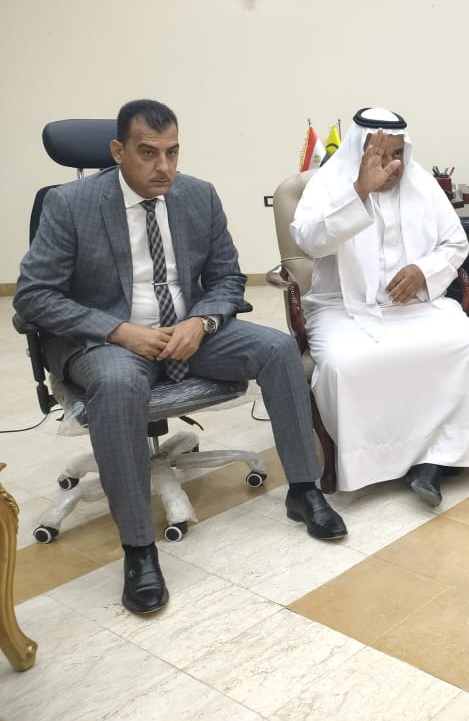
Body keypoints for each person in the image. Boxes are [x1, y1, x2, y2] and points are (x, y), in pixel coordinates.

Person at [14, 99, 347, 616]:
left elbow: (227, 278)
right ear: (118, 151)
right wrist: (119, 330)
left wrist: (202, 322)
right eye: (148, 153)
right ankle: (139, 550)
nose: (163, 167)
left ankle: (303, 490)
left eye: (172, 152)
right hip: (110, 341)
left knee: (278, 348)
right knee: (120, 386)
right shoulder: (69, 204)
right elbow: (34, 297)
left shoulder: (197, 195)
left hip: (189, 333)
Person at [290, 107, 469, 505]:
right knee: (345, 364)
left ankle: (438, 457)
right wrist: (359, 191)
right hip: (343, 308)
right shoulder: (328, 183)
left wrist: (423, 270)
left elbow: (456, 243)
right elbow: (309, 242)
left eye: (398, 154)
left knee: (466, 345)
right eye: (381, 155)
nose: (393, 165)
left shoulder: (421, 183)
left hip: (416, 305)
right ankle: (379, 461)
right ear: (359, 152)